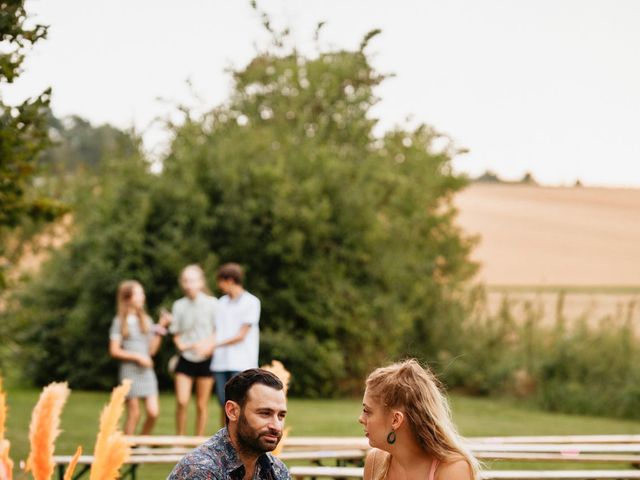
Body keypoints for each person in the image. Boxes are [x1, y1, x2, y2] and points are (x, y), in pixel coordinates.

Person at [359, 359, 480, 480]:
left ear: (395, 420)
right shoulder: (375, 462)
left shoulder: (453, 469)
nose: (361, 419)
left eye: (367, 411)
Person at [167, 368, 290, 480]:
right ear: (232, 411)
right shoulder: (201, 471)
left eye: (281, 416)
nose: (276, 426)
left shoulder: (277, 471)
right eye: (265, 413)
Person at [196, 263, 261, 412]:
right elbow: (217, 332)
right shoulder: (221, 303)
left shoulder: (252, 302)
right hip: (220, 363)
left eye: (221, 282)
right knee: (224, 404)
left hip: (242, 362)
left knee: (242, 404)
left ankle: (241, 435)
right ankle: (226, 435)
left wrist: (214, 345)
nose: (219, 286)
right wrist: (204, 345)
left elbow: (241, 335)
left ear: (230, 280)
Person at [109, 280, 170, 435]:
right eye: (139, 293)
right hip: (130, 372)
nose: (143, 296)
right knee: (134, 414)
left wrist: (161, 328)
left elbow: (151, 351)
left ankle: (141, 443)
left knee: (153, 412)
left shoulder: (147, 320)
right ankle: (127, 451)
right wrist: (137, 357)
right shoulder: (119, 322)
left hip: (146, 372)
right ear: (128, 298)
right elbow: (114, 350)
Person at [169, 264, 218, 436]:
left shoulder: (213, 304)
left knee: (201, 404)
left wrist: (208, 345)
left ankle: (198, 441)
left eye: (192, 280)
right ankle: (179, 439)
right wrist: (180, 344)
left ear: (201, 282)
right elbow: (175, 332)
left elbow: (218, 331)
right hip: (185, 358)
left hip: (206, 359)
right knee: (182, 401)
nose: (188, 284)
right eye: (185, 281)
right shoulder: (178, 305)